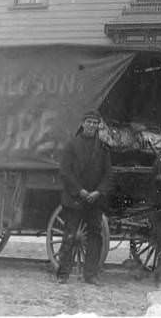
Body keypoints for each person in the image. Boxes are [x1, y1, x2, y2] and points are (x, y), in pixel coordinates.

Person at [56, 110, 113, 285]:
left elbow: (108, 174)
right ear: (82, 124)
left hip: (94, 200)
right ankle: (63, 274)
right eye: (89, 122)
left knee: (95, 237)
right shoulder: (72, 145)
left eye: (95, 123)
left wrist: (98, 192)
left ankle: (91, 275)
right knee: (71, 235)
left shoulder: (103, 148)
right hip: (75, 199)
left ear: (98, 126)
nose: (92, 126)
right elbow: (65, 172)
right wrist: (80, 191)